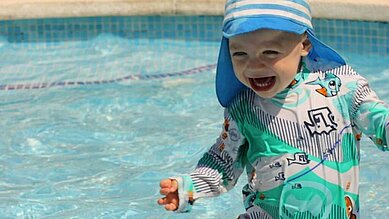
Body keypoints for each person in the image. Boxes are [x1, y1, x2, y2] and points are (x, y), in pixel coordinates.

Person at [157, 0, 389, 218]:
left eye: (270, 52)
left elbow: (379, 121)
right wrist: (187, 188)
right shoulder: (244, 108)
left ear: (304, 45)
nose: (254, 65)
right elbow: (223, 162)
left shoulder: (340, 87)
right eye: (240, 54)